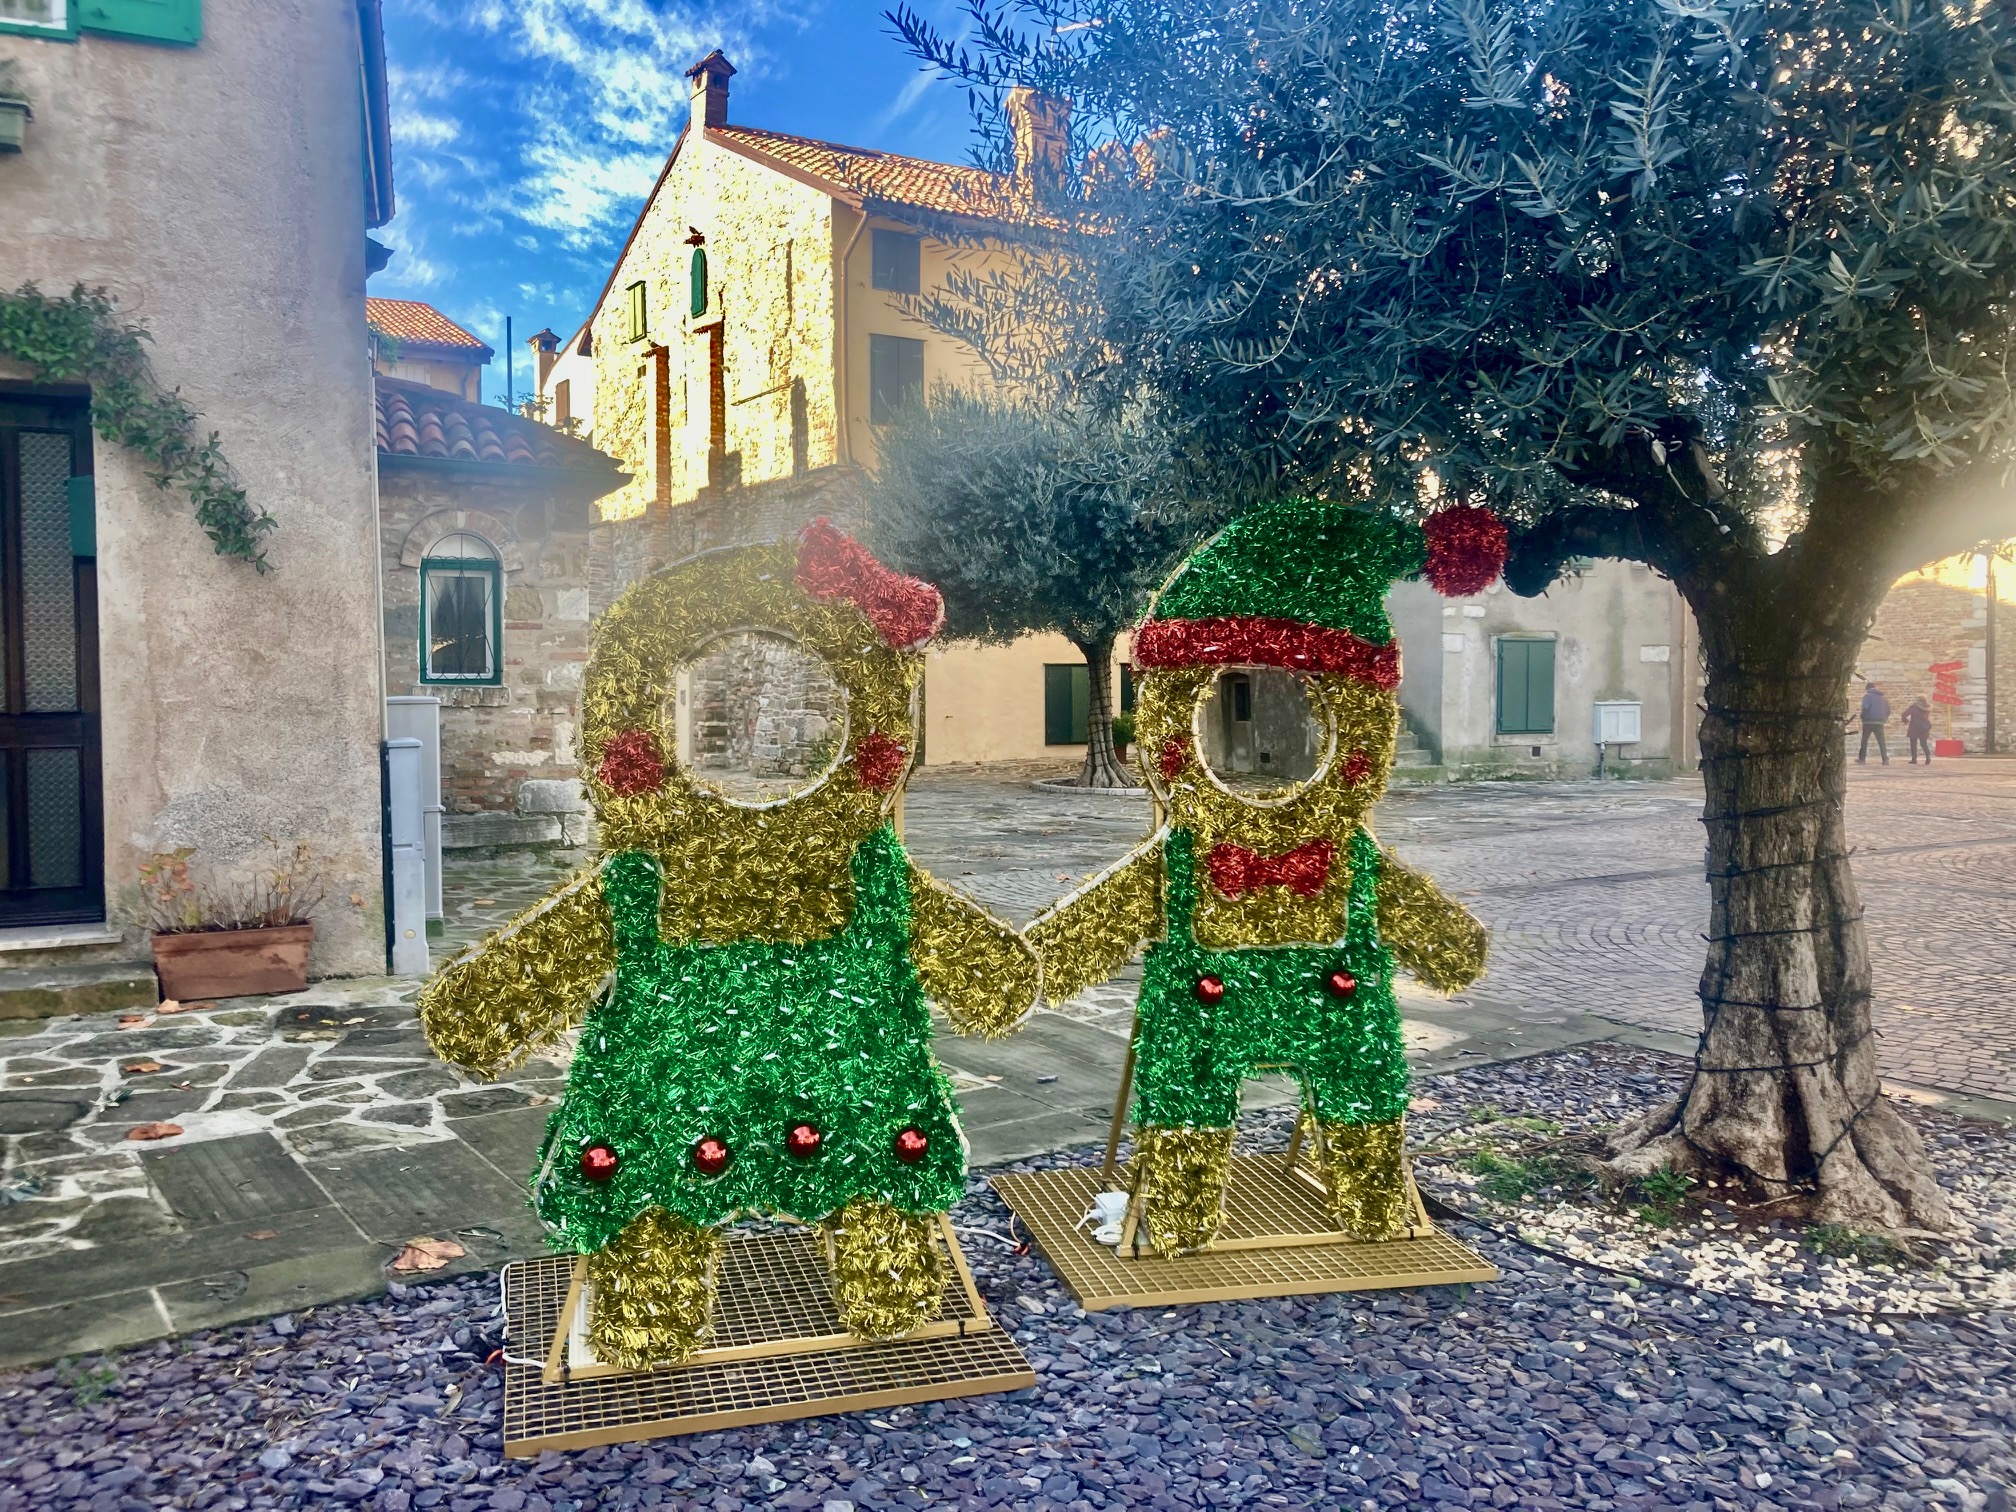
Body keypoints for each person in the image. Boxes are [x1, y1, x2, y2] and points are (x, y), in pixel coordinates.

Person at [1858, 682, 1891, 764]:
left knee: (1864, 740)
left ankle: (1862, 759)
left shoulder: (1867, 696)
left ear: (1867, 689)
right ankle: (1885, 759)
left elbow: (1865, 708)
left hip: (1868, 721)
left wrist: (1862, 717)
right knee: (1881, 741)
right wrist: (1884, 719)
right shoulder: (1883, 698)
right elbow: (1888, 710)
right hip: (1879, 722)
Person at [1905, 696, 1934, 764]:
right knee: (1924, 744)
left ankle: (1914, 759)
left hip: (1914, 727)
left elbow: (1904, 714)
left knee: (1913, 744)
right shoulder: (1928, 708)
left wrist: (1906, 721)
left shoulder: (1914, 707)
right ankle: (1928, 757)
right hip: (1924, 727)